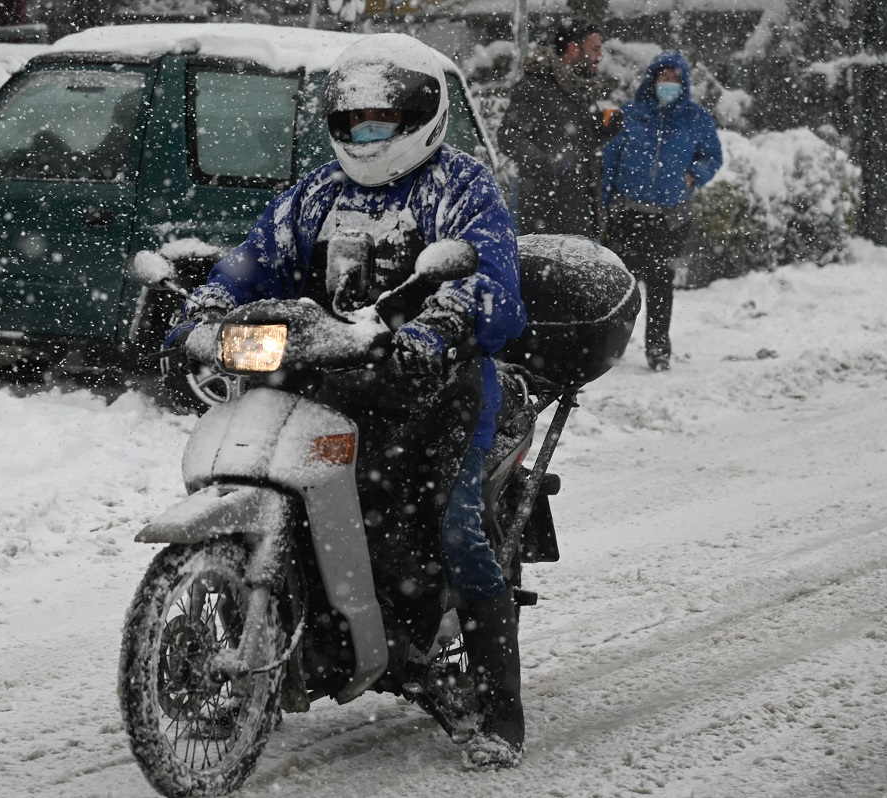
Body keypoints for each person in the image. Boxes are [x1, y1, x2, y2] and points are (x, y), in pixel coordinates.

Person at [166, 34, 530, 768]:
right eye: (353, 121)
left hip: (440, 385)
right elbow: (250, 262)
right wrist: (204, 313)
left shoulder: (460, 186)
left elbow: (489, 282)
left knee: (455, 533)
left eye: (381, 121)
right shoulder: (315, 196)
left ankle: (499, 711)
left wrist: (442, 326)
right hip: (333, 375)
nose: (366, 135)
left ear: (420, 118)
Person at [600, 50, 723, 371]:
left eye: (675, 78)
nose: (668, 83)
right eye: (663, 77)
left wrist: (694, 173)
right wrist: (602, 203)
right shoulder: (630, 115)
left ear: (683, 83)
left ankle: (658, 350)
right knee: (621, 284)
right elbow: (609, 161)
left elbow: (712, 156)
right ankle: (610, 349)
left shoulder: (695, 119)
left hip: (669, 216)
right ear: (652, 79)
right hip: (628, 213)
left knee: (659, 283)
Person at [497, 16, 620, 237]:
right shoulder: (535, 87)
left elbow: (578, 144)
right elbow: (508, 136)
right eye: (595, 49)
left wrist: (603, 130)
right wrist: (544, 162)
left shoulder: (579, 89)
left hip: (580, 216)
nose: (599, 56)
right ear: (573, 48)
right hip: (545, 220)